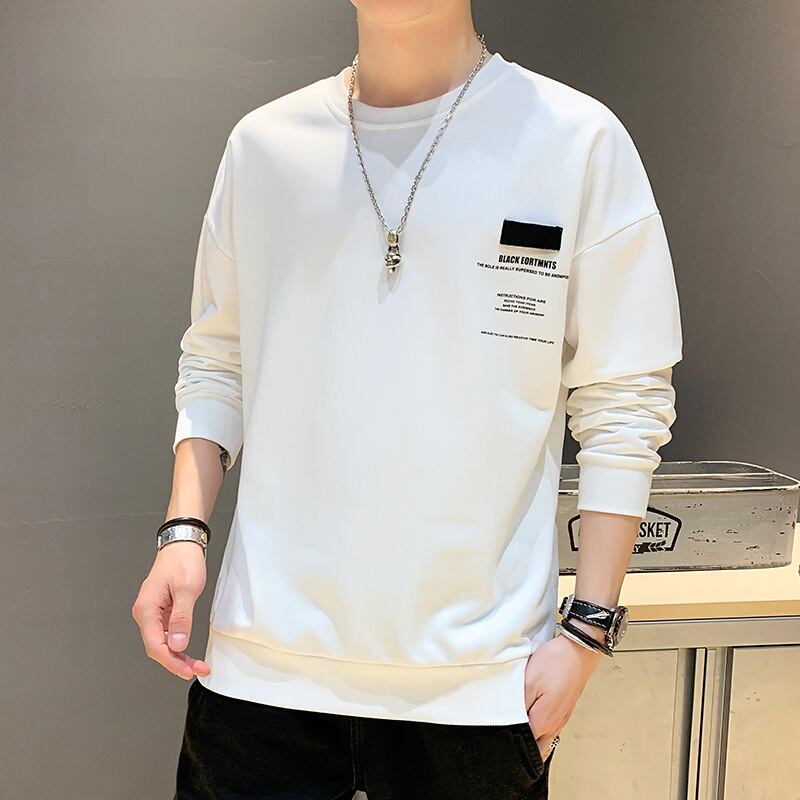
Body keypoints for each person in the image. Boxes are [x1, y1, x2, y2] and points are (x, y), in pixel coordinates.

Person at [131, 1, 683, 797]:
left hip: (478, 686)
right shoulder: (265, 147)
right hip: (260, 678)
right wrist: (183, 533)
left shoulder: (576, 141)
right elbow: (219, 360)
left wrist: (589, 628)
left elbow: (624, 400)